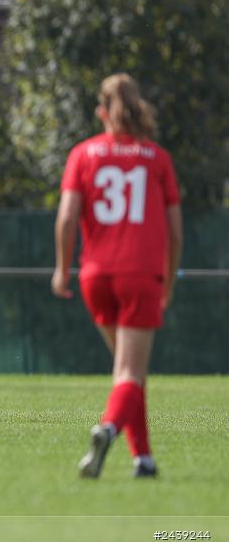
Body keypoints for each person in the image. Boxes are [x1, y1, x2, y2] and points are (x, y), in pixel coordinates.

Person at [52, 73, 182, 478]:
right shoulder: (157, 158)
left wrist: (62, 269)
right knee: (130, 372)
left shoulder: (83, 153)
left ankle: (143, 459)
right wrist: (169, 282)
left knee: (127, 371)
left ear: (102, 112)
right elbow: (176, 232)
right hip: (140, 275)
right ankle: (108, 428)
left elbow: (68, 216)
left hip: (96, 277)